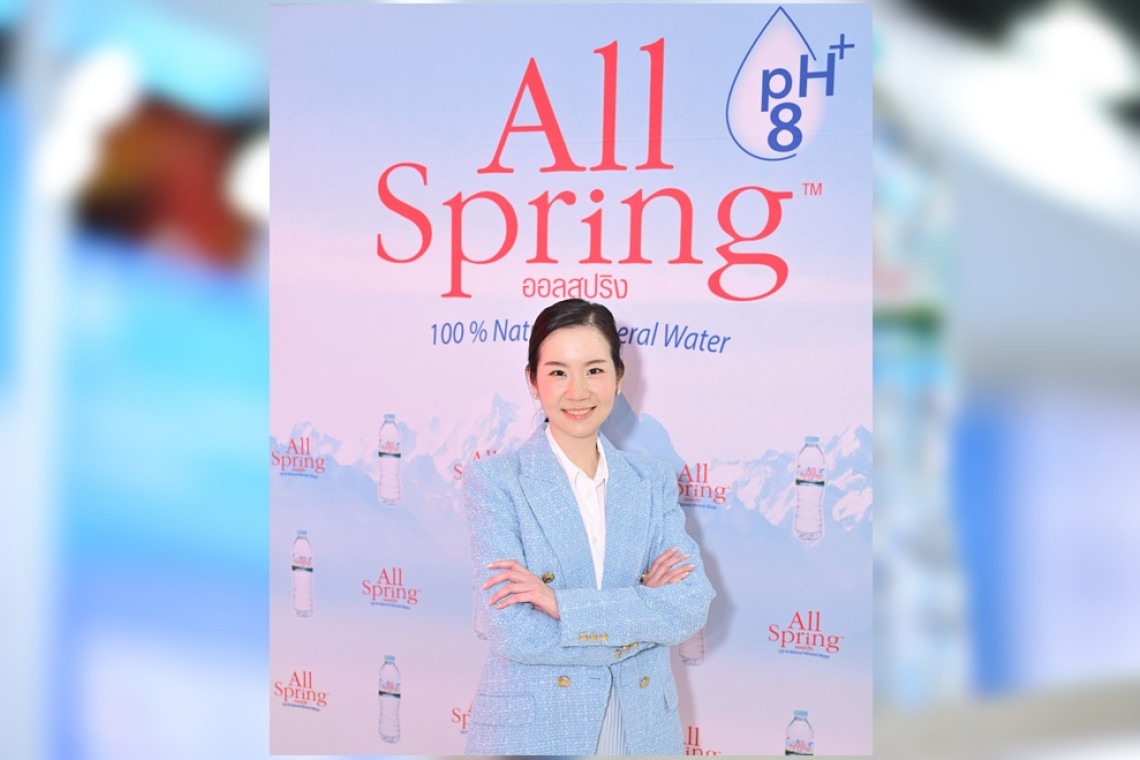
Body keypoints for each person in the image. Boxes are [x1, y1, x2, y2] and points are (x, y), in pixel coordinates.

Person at [463, 298, 715, 755]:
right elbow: (514, 630)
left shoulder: (652, 481)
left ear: (619, 378)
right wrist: (641, 611)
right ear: (533, 381)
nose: (577, 391)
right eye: (558, 372)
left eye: (594, 370)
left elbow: (689, 606)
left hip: (643, 730)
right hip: (535, 731)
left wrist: (561, 605)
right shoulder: (495, 481)